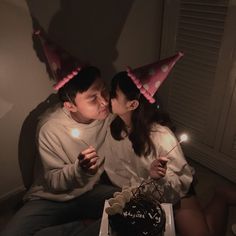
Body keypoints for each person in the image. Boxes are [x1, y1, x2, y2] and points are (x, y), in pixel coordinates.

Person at [102, 53, 236, 236]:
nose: (107, 97)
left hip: (174, 192)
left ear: (132, 104)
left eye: (113, 94)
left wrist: (159, 177)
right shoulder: (114, 125)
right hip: (142, 194)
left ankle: (221, 195)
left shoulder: (161, 137)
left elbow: (181, 181)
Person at [1, 66, 119, 236]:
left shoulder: (107, 116)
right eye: (93, 98)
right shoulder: (50, 128)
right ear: (70, 106)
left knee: (134, 204)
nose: (104, 101)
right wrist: (79, 170)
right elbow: (54, 181)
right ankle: (81, 226)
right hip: (51, 197)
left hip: (90, 191)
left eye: (104, 91)